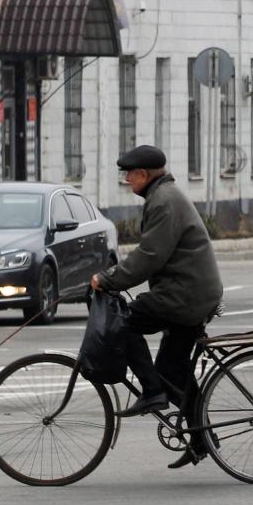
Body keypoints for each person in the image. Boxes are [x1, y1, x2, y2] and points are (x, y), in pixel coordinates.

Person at [90, 145, 224, 469]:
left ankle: (151, 392)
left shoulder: (163, 202)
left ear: (143, 175)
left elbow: (149, 257)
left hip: (184, 295)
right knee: (171, 369)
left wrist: (107, 280)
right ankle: (202, 437)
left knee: (123, 323)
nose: (126, 179)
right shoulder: (163, 196)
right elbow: (150, 255)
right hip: (189, 291)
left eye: (129, 174)